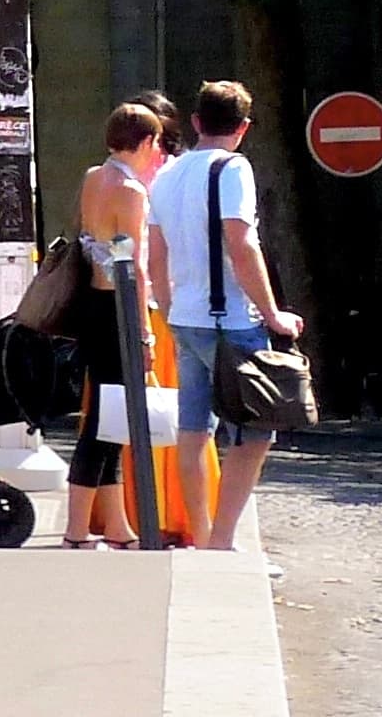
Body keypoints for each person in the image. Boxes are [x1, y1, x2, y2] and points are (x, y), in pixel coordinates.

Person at [146, 81, 304, 550]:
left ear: (196, 122)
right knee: (255, 433)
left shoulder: (168, 175)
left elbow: (155, 253)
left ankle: (201, 531)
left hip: (186, 315)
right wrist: (274, 313)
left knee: (193, 430)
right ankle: (223, 539)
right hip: (229, 317)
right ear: (244, 128)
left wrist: (170, 307)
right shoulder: (233, 168)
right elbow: (241, 242)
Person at [63, 101, 168, 547]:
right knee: (105, 423)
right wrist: (144, 329)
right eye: (156, 143)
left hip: (90, 301)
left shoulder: (93, 178)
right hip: (117, 307)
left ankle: (117, 523)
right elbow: (136, 265)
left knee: (106, 417)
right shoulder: (132, 191)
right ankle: (76, 528)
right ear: (145, 142)